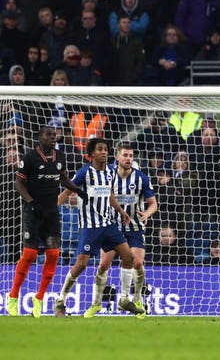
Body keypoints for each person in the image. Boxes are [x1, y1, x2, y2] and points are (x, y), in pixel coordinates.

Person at [54, 138, 143, 318]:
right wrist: (51, 209)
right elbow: (67, 191)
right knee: (82, 264)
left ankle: (124, 299)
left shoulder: (110, 172)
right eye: (100, 149)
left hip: (109, 224)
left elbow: (109, 194)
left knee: (128, 257)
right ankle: (60, 300)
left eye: (106, 149)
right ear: (92, 154)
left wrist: (120, 211)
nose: (104, 152)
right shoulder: (84, 173)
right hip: (90, 226)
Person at [6, 126, 88, 318]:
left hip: (51, 212)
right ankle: (13, 296)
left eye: (54, 135)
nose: (53, 138)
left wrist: (76, 189)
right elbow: (18, 182)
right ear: (40, 137)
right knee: (29, 255)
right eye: (48, 135)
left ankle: (39, 298)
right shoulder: (29, 158)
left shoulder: (59, 156)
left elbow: (63, 178)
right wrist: (31, 202)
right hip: (33, 212)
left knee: (53, 254)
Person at [83, 144, 157, 319]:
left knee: (137, 263)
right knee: (103, 265)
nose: (128, 158)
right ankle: (96, 304)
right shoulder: (108, 175)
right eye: (125, 155)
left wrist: (147, 213)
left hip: (134, 227)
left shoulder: (141, 178)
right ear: (117, 157)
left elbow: (153, 203)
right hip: (112, 226)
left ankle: (137, 300)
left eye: (131, 155)